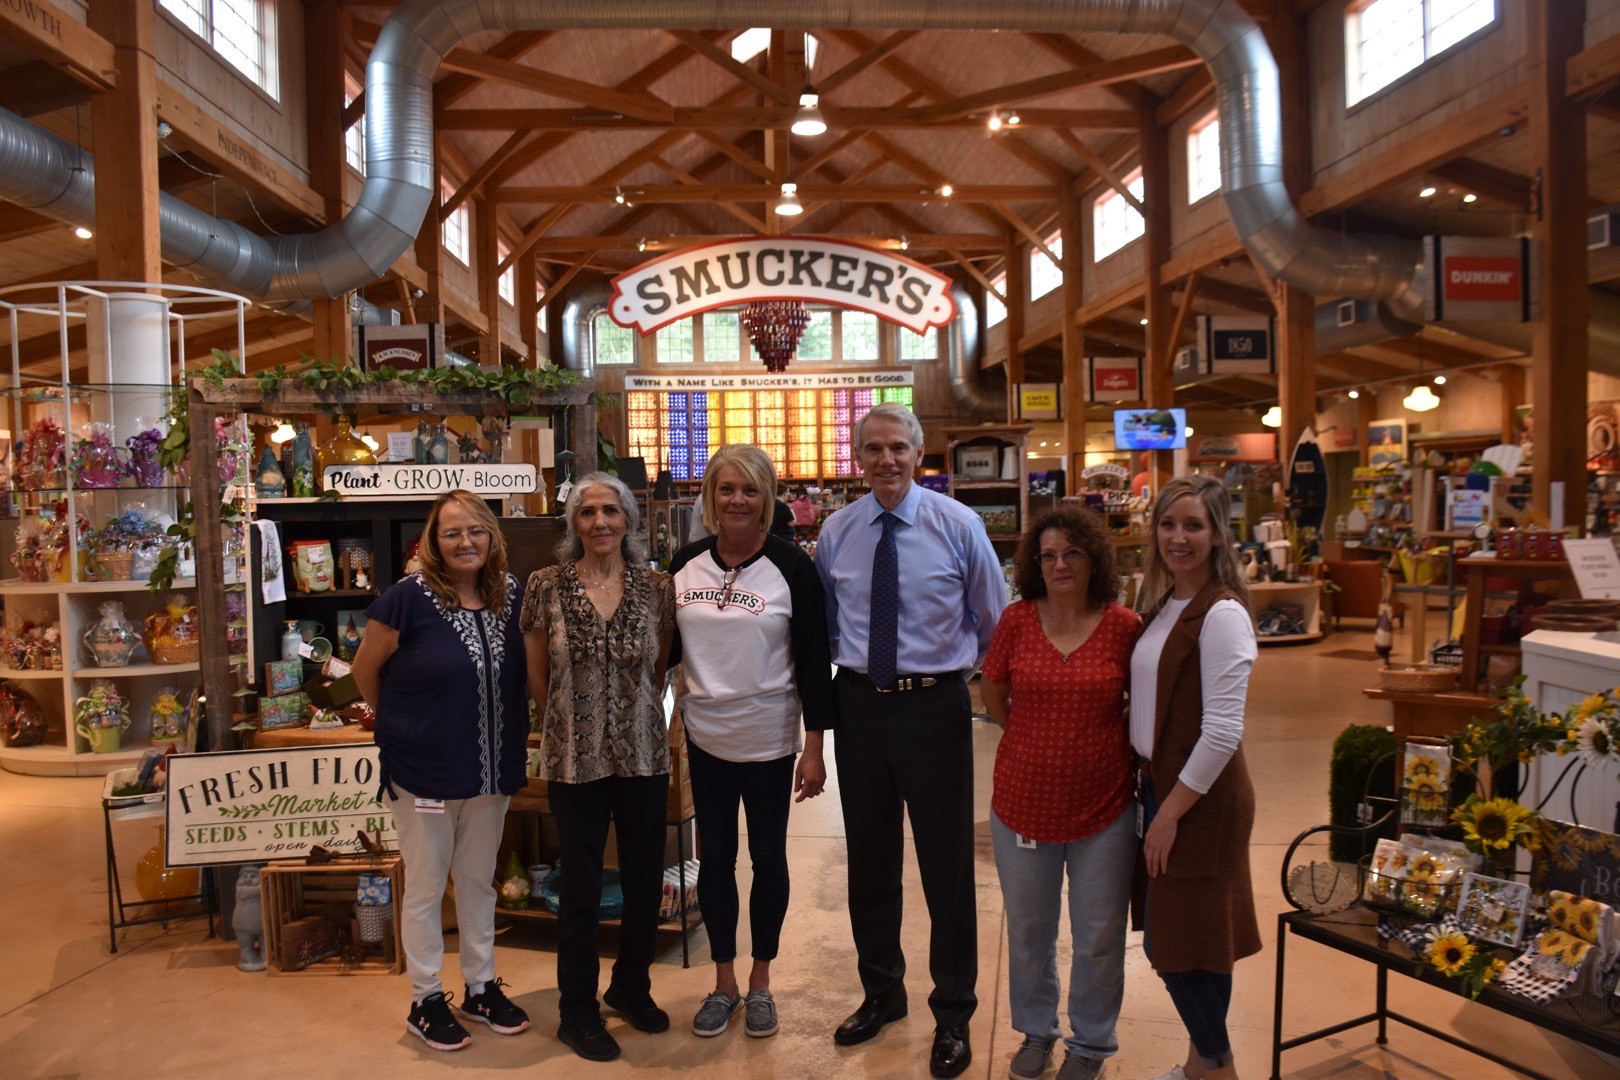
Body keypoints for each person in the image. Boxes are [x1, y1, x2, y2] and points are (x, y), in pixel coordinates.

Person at [813, 402, 1006, 1079]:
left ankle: (953, 1010)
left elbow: (994, 619)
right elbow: (827, 626)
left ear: (919, 453)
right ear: (858, 458)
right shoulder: (837, 533)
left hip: (935, 709)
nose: (886, 460)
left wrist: (960, 678)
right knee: (869, 859)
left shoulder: (958, 526)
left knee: (946, 863)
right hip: (861, 703)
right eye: (873, 449)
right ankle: (882, 992)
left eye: (898, 447)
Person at [351, 490, 530, 1052]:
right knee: (427, 887)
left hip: (490, 769)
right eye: (450, 532)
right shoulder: (406, 599)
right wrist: (405, 724)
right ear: (432, 542)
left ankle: (480, 986)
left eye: (475, 529)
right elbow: (364, 670)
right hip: (422, 772)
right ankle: (425, 998)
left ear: (491, 537)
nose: (464, 541)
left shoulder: (512, 596)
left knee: (478, 882)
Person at [668, 445, 837, 1039]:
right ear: (710, 497)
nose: (737, 500)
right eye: (726, 489)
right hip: (705, 741)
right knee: (714, 861)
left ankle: (761, 982)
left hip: (769, 741)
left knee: (767, 860)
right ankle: (724, 984)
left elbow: (816, 663)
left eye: (750, 489)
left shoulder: (793, 567)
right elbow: (664, 652)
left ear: (768, 499)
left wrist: (813, 747)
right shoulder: (683, 564)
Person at [522, 473, 676, 1063]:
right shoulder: (546, 586)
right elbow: (539, 676)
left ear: (630, 521)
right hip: (573, 756)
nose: (601, 522)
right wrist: (568, 721)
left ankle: (631, 987)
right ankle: (577, 1011)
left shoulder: (655, 588)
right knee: (581, 887)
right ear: (573, 525)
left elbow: (657, 668)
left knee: (642, 881)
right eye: (587, 513)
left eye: (612, 511)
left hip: (642, 752)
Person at [982, 506, 1139, 1080]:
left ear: (1094, 558)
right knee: (1028, 930)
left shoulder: (1124, 625)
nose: (1059, 564)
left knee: (1098, 934)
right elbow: (994, 693)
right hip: (1022, 803)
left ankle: (1091, 1043)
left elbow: (1139, 710)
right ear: (1033, 564)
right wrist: (1031, 740)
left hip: (1104, 807)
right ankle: (1036, 1031)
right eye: (1048, 555)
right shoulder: (1018, 620)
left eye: (1072, 552)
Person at [1129, 474, 1260, 1080]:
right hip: (1165, 788)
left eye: (1193, 525)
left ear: (1216, 534)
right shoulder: (1165, 604)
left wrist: (1169, 815)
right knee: (1202, 943)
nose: (1178, 537)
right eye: (1168, 524)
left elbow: (1222, 731)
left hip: (1200, 799)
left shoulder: (1223, 613)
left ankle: (1220, 1068)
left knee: (1173, 947)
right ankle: (1197, 1068)